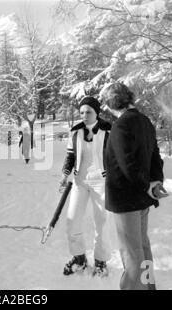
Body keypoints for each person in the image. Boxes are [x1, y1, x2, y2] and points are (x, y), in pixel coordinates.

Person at [100, 82, 167, 290]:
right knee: (143, 248)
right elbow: (156, 156)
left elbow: (127, 165)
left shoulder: (121, 126)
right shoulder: (145, 121)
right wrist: (155, 182)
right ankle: (149, 287)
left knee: (131, 254)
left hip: (126, 199)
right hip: (142, 198)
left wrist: (147, 184)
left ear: (112, 103)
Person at [59, 96, 112, 277]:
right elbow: (70, 156)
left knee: (102, 224)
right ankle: (79, 258)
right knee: (72, 221)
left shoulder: (109, 130)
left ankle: (100, 261)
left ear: (97, 112)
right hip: (80, 181)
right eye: (81, 112)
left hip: (101, 182)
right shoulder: (75, 132)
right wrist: (64, 174)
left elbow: (116, 157)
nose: (84, 115)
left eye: (88, 111)